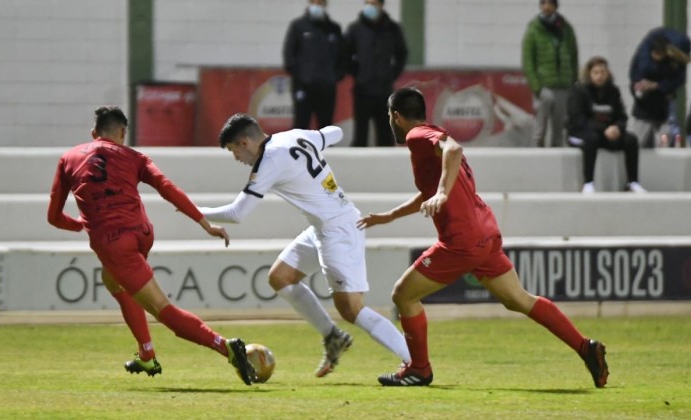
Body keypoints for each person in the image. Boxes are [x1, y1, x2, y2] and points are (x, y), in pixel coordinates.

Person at [358, 87, 609, 388]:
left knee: (403, 295)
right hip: (484, 232)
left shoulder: (417, 137)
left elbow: (454, 151)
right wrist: (389, 216)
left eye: (390, 117)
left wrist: (441, 193)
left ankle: (419, 369)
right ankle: (586, 347)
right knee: (519, 299)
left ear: (395, 117)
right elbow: (431, 188)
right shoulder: (434, 134)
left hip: (461, 240)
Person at [47, 106, 256, 385]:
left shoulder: (68, 158)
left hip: (113, 242)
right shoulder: (135, 157)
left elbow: (54, 217)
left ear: (94, 133)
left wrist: (80, 225)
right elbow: (166, 187)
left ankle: (226, 346)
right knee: (112, 280)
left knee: (162, 309)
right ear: (122, 132)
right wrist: (205, 223)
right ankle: (147, 354)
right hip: (142, 232)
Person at [198, 113, 411, 378]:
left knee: (351, 308)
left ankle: (414, 361)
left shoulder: (269, 161)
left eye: (233, 151)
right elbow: (336, 132)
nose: (236, 159)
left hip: (338, 231)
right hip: (325, 225)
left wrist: (192, 210)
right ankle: (333, 336)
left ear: (244, 142)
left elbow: (237, 214)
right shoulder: (294, 135)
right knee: (281, 277)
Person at [567, 56, 646, 193]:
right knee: (592, 139)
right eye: (596, 72)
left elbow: (621, 116)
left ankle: (632, 182)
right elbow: (578, 119)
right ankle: (588, 183)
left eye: (602, 72)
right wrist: (604, 129)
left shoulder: (613, 91)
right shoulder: (578, 91)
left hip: (608, 133)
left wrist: (618, 128)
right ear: (589, 73)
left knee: (631, 140)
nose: (599, 76)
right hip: (583, 132)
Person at [344, 0, 408, 147]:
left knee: (385, 135)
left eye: (373, 3)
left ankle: (387, 169)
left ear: (381, 5)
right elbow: (344, 55)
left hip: (384, 91)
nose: (370, 6)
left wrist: (391, 74)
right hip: (362, 89)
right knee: (360, 135)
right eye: (367, 3)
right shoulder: (355, 29)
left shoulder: (392, 29)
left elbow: (401, 54)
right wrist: (357, 73)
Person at [522, 0, 578, 147]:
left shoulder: (566, 29)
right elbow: (528, 61)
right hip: (544, 86)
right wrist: (537, 87)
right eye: (543, 3)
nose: (546, 6)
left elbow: (573, 56)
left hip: (563, 86)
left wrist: (573, 82)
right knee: (539, 129)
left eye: (550, 3)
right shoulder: (533, 30)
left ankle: (557, 161)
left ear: (555, 6)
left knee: (559, 129)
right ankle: (536, 159)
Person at [283, 0, 344, 130]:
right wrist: (302, 78)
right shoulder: (298, 26)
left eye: (320, 2)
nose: (316, 5)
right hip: (303, 88)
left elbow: (342, 57)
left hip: (327, 88)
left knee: (326, 128)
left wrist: (334, 77)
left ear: (325, 4)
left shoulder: (334, 29)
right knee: (301, 126)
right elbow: (289, 56)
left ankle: (325, 151)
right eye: (314, 1)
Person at [629, 27, 690, 148]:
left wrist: (657, 86)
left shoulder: (673, 61)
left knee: (664, 140)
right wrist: (643, 86)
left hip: (663, 107)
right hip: (646, 107)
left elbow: (678, 80)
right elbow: (636, 76)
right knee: (638, 140)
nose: (657, 57)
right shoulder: (646, 58)